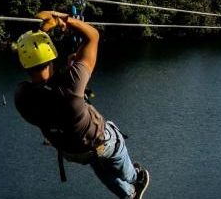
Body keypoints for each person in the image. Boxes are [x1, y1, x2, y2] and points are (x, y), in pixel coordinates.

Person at [13, 11, 149, 198]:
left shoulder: (21, 97)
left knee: (95, 159)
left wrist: (67, 71)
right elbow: (93, 36)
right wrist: (62, 19)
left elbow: (48, 91)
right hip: (99, 142)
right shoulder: (72, 81)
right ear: (52, 53)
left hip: (71, 152)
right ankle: (135, 178)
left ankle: (128, 194)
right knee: (114, 143)